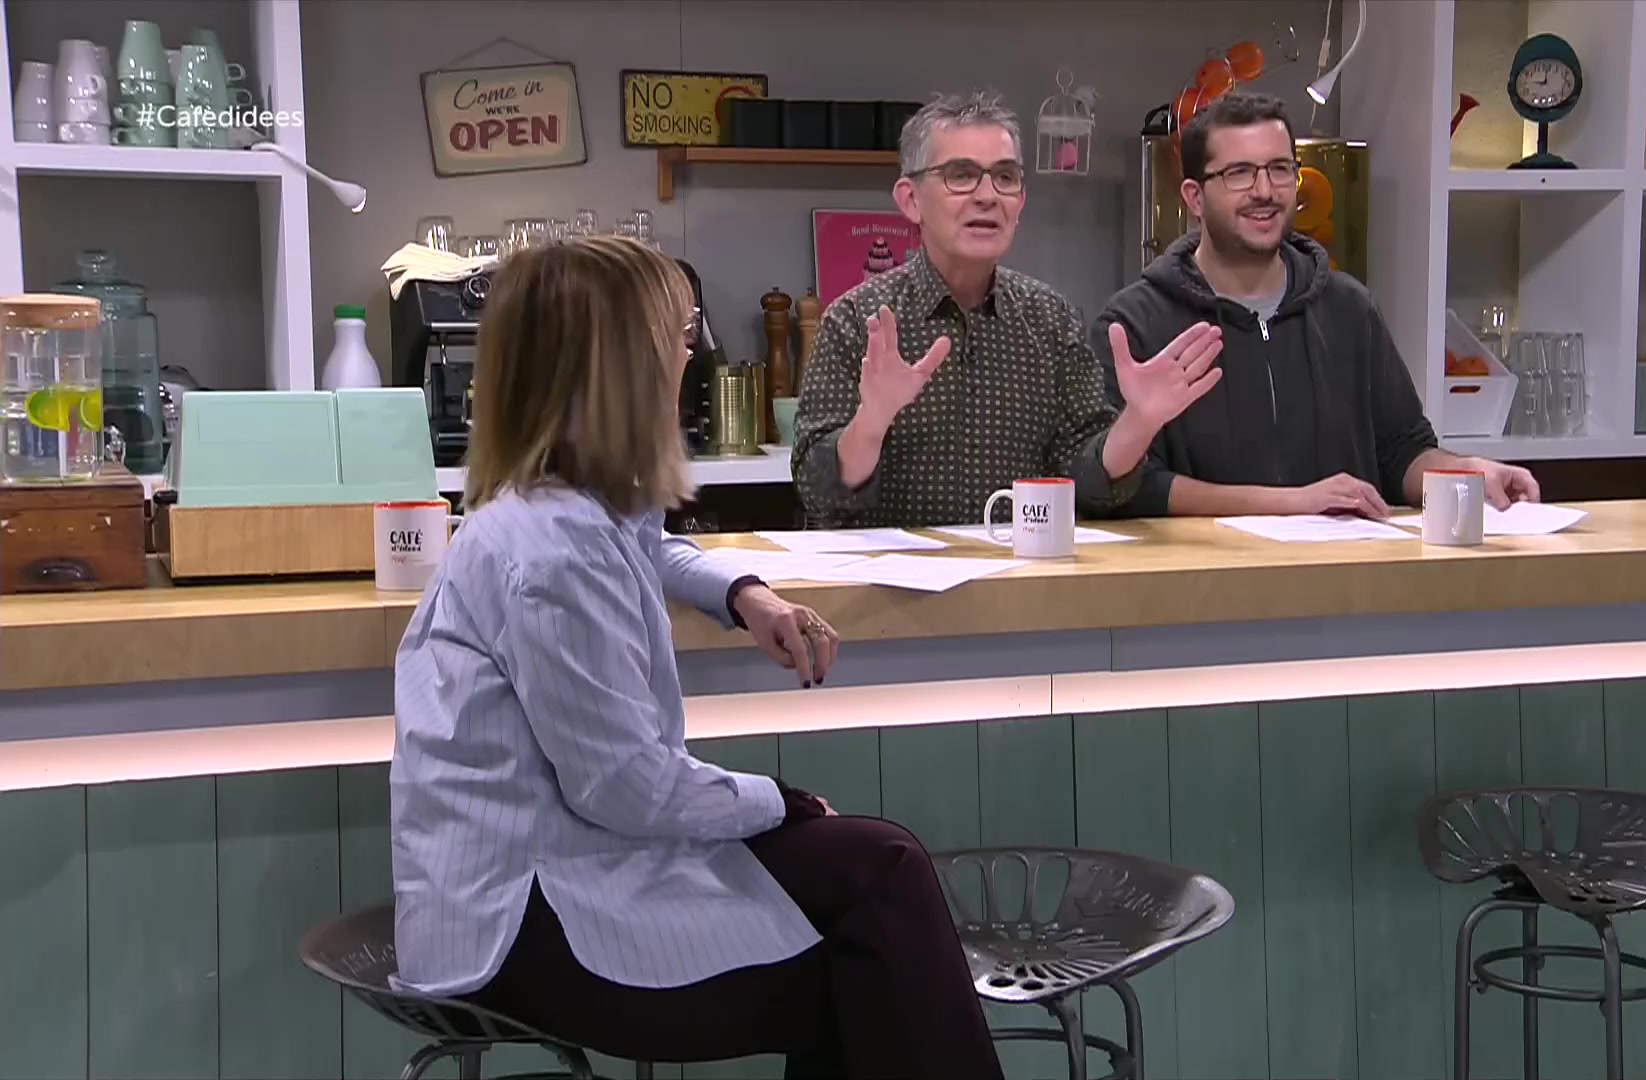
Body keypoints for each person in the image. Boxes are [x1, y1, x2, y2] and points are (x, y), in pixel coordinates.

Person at [390, 235, 1006, 1080]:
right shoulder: (554, 552)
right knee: (876, 930)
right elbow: (625, 787)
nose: (691, 356)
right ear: (620, 366)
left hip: (560, 875)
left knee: (876, 900)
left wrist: (742, 591)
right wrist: (780, 802)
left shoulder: (555, 510)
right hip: (525, 922)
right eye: (677, 336)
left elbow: (644, 548)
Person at [792, 90, 1224, 528]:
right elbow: (816, 489)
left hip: (1019, 566)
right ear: (910, 199)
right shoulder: (856, 320)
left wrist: (1139, 422)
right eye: (961, 175)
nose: (987, 195)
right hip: (891, 570)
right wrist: (872, 420)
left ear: (1020, 201)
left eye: (1005, 177)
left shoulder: (1051, 319)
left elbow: (1088, 484)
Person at [1095, 92, 1539, 518]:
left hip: (1346, 567)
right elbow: (1127, 486)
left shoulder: (1349, 309)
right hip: (1207, 570)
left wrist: (1466, 473)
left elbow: (1402, 451)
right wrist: (1291, 503)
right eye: (1239, 173)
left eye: (1279, 169)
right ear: (1195, 197)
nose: (1264, 190)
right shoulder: (1136, 324)